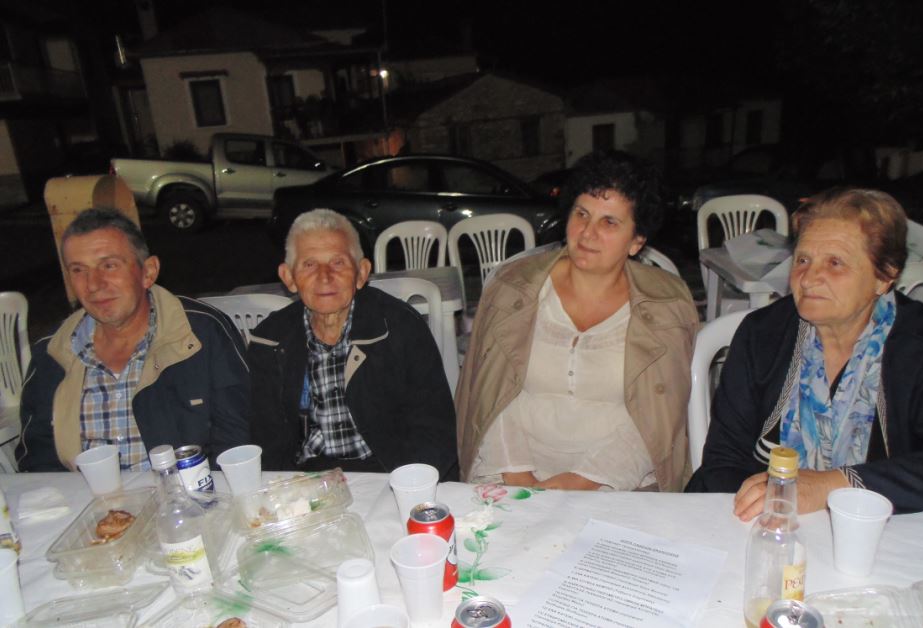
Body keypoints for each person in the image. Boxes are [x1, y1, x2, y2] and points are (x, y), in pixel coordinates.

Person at [687, 187, 923, 516]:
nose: (808, 279)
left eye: (835, 263)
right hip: (766, 524)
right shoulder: (761, 335)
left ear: (885, 276)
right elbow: (723, 461)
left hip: (879, 531)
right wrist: (772, 509)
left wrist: (832, 486)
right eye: (803, 260)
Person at [456, 150, 699, 492]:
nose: (587, 232)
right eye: (582, 213)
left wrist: (580, 482)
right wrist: (520, 479)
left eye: (609, 222)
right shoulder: (512, 288)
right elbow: (487, 392)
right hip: (505, 470)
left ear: (636, 241)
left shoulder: (666, 305)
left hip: (619, 480)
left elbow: (660, 416)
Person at [17, 208, 250, 472]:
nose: (93, 284)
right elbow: (37, 458)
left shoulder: (202, 335)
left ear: (148, 272)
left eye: (109, 265)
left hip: (188, 492)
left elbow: (236, 439)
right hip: (84, 496)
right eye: (78, 270)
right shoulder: (53, 353)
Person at [247, 209, 458, 480]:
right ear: (288, 277)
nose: (324, 276)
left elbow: (434, 428)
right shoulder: (269, 340)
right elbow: (265, 439)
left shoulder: (400, 328)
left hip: (390, 473)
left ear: (361, 273)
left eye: (338, 263)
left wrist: (409, 485)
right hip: (306, 478)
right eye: (309, 264)